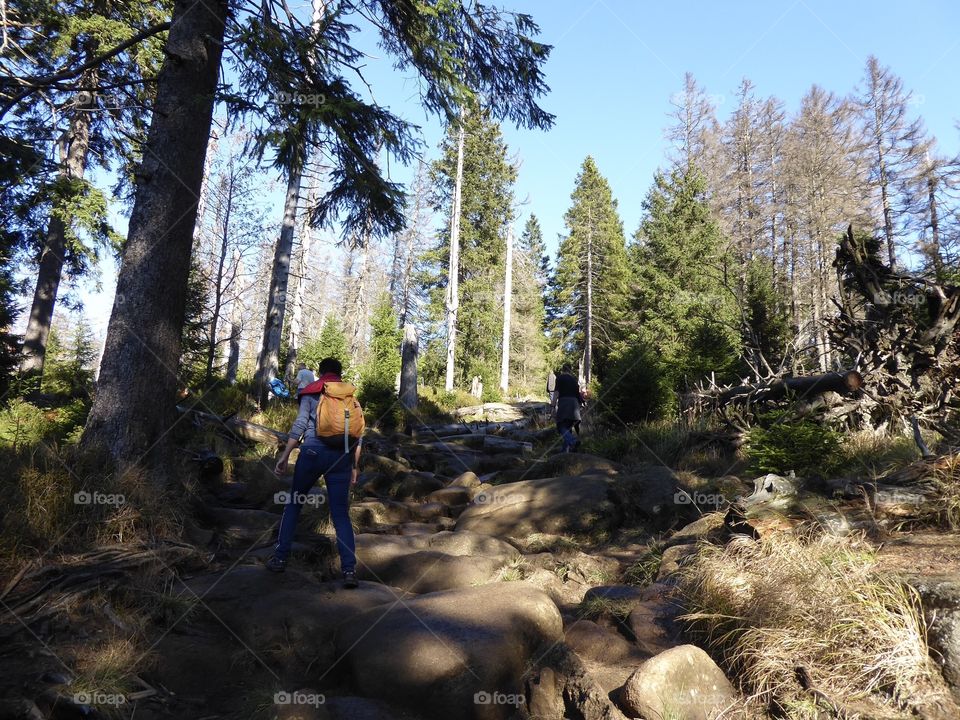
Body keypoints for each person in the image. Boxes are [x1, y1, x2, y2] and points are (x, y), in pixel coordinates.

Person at [266, 357, 362, 588]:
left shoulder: (311, 392)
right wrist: (355, 467)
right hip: (341, 457)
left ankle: (280, 558)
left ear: (320, 373)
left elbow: (299, 426)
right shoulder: (350, 396)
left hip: (312, 453)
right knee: (340, 514)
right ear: (339, 374)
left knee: (294, 503)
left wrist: (285, 455)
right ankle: (349, 570)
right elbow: (359, 435)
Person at [552, 364, 585, 453]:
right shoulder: (574, 380)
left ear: (563, 370)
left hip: (564, 403)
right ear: (570, 370)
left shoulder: (559, 378)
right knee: (569, 427)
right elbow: (578, 394)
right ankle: (566, 451)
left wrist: (552, 405)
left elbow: (556, 393)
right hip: (574, 404)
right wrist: (581, 405)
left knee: (561, 425)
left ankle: (573, 441)